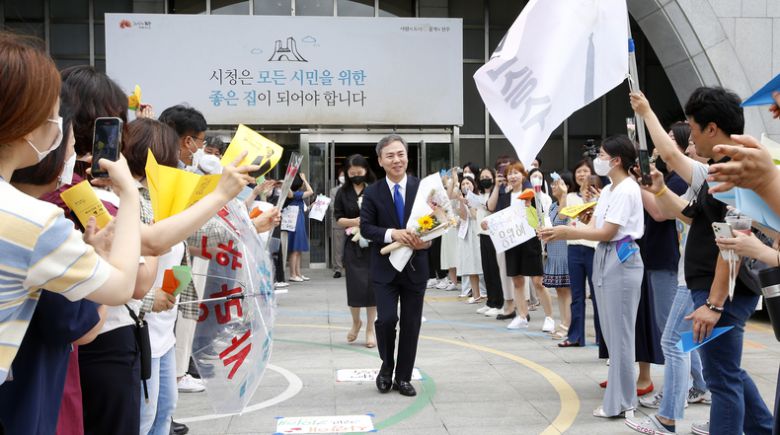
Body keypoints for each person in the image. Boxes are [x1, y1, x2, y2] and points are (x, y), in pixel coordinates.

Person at [0, 31, 143, 433]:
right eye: (53, 114)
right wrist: (129, 196)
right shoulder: (33, 221)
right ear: (23, 122)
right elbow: (121, 287)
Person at [638, 87, 774, 435]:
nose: (690, 138)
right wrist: (660, 190)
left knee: (721, 378)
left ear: (712, 129)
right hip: (716, 288)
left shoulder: (735, 172)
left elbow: (733, 240)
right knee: (727, 371)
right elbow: (691, 216)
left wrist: (713, 303)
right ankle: (762, 427)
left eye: (693, 128)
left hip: (723, 292)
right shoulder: (719, 170)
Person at [540, 135, 645, 418]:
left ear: (616, 160)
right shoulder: (611, 189)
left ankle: (621, 402)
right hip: (606, 254)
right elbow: (599, 226)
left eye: (601, 154)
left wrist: (568, 232)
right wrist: (583, 220)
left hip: (621, 256)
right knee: (611, 333)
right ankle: (622, 399)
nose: (597, 159)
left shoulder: (627, 189)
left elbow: (609, 232)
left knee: (620, 334)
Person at [360, 134, 430, 397]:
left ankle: (403, 377)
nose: (396, 159)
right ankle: (386, 367)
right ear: (380, 161)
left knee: (411, 323)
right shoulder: (372, 192)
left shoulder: (422, 189)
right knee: (386, 320)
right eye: (390, 155)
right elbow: (366, 228)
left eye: (400, 154)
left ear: (407, 156)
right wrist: (393, 233)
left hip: (416, 267)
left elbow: (435, 223)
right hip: (384, 268)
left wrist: (427, 243)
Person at [486, 161, 555, 332]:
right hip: (512, 242)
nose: (513, 176)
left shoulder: (531, 194)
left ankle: (549, 317)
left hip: (530, 241)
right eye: (510, 173)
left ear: (523, 175)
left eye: (516, 172)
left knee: (538, 282)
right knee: (517, 281)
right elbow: (496, 217)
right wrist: (486, 223)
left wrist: (543, 229)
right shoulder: (504, 196)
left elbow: (541, 216)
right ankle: (522, 316)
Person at [558, 159, 603, 348]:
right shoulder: (570, 197)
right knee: (577, 295)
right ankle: (575, 336)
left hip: (593, 248)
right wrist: (562, 195)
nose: (581, 175)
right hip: (574, 247)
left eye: (585, 171)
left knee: (597, 294)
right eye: (578, 172)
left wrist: (591, 197)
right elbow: (561, 216)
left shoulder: (601, 196)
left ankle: (603, 338)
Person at [335, 155, 377, 348]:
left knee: (372, 289)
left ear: (366, 171)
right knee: (355, 287)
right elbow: (338, 219)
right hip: (352, 245)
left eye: (359, 173)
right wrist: (355, 222)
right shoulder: (342, 193)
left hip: (373, 245)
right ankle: (355, 322)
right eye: (352, 174)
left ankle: (370, 329)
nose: (356, 176)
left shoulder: (375, 189)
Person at [544, 173, 573, 339]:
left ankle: (567, 325)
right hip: (554, 251)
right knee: (559, 290)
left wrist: (564, 194)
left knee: (567, 290)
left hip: (565, 252)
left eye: (558, 184)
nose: (554, 187)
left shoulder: (567, 202)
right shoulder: (552, 206)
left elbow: (563, 218)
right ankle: (563, 322)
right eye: (553, 184)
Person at [475, 168, 504, 317]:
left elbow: (493, 209)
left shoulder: (496, 193)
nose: (484, 178)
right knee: (487, 269)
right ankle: (490, 301)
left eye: (488, 176)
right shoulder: (480, 194)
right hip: (483, 234)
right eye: (482, 176)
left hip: (493, 234)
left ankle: (499, 303)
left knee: (494, 269)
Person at [455, 175, 484, 304]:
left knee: (481, 262)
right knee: (470, 264)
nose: (466, 186)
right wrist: (461, 201)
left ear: (473, 185)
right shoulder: (461, 200)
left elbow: (475, 215)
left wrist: (470, 202)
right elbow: (463, 216)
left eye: (468, 183)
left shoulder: (480, 198)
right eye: (463, 184)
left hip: (477, 232)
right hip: (466, 234)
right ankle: (476, 294)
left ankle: (486, 292)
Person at [285, 172, 314, 282]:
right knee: (295, 250)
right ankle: (293, 274)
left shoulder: (297, 195)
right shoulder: (295, 194)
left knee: (298, 250)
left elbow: (305, 208)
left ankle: (298, 273)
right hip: (295, 223)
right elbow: (311, 191)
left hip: (299, 222)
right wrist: (305, 179)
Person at [330, 169, 346, 278]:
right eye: (341, 175)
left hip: (353, 222)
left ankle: (351, 268)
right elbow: (332, 206)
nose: (343, 177)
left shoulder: (352, 189)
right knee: (338, 247)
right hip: (338, 222)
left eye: (345, 175)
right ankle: (338, 269)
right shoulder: (333, 190)